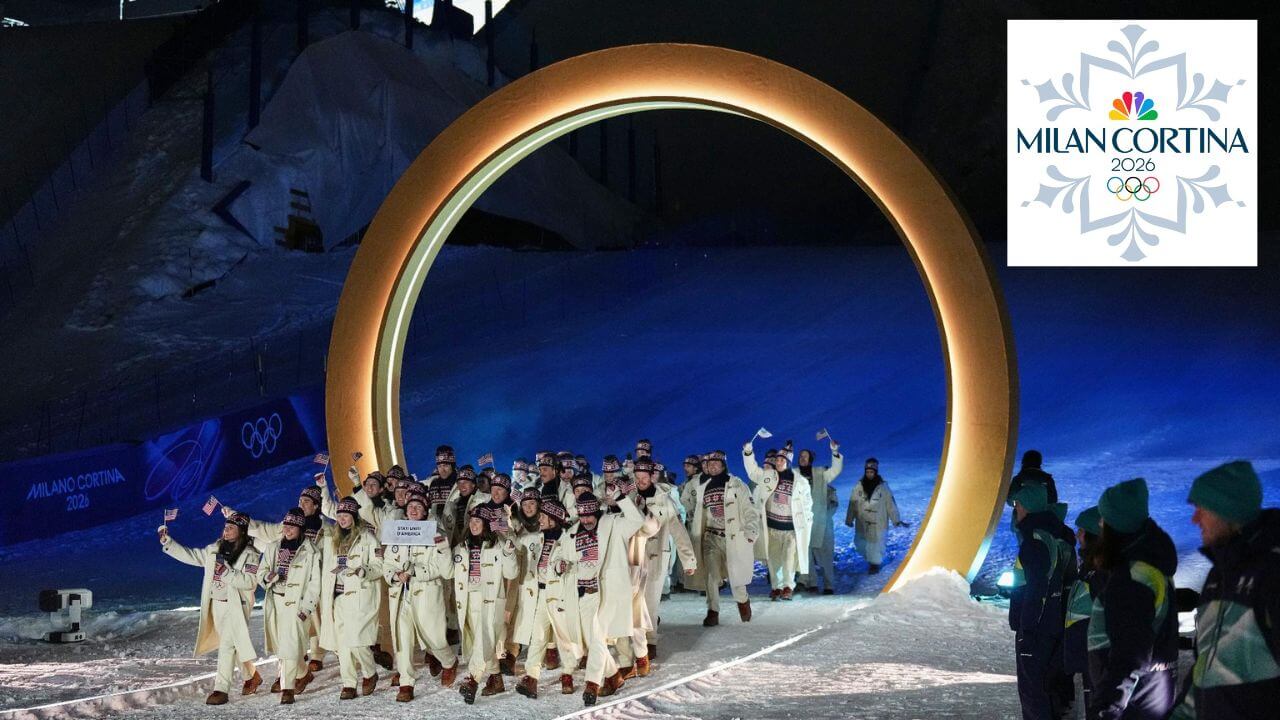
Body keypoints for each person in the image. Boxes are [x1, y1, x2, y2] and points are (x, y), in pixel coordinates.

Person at [1170, 460, 1279, 720]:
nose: (1195, 519)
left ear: (1227, 510)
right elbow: (1206, 669)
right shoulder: (1218, 576)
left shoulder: (1271, 574)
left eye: (1201, 509)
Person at [1088, 478, 1178, 720]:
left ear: (1116, 527)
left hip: (1132, 706)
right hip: (1153, 697)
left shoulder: (1131, 578)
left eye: (1104, 519)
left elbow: (1130, 655)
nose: (1100, 523)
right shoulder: (1152, 568)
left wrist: (1105, 709)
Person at [158, 513, 264, 705]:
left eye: (231, 527)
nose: (226, 530)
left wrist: (226, 573)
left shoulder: (251, 554)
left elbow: (249, 582)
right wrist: (169, 543)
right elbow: (193, 556)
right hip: (217, 605)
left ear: (241, 531)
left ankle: (221, 689)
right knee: (234, 644)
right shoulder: (214, 549)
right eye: (225, 526)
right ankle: (252, 676)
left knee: (227, 646)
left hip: (236, 606)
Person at [567, 490, 643, 705]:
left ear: (597, 511)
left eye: (590, 514)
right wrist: (560, 565)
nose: (587, 520)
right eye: (582, 515)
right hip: (583, 595)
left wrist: (620, 498)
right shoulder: (572, 532)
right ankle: (613, 677)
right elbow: (562, 557)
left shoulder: (613, 524)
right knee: (593, 642)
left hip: (607, 592)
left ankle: (592, 683)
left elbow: (637, 520)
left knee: (598, 636)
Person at [382, 491, 458, 701]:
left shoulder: (436, 533)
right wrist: (394, 575)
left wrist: (416, 571)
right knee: (403, 640)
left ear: (425, 510)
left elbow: (441, 568)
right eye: (410, 507)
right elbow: (387, 562)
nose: (413, 510)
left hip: (426, 593)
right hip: (401, 596)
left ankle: (449, 661)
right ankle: (406, 683)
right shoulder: (397, 532)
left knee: (434, 638)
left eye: (418, 507)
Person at [1008, 484, 1075, 720]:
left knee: (1033, 694)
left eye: (1017, 506)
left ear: (1025, 507)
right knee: (1047, 689)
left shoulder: (1035, 541)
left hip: (1037, 630)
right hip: (1051, 625)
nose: (1015, 511)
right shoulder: (1050, 537)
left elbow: (1036, 588)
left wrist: (1027, 628)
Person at [515, 498, 585, 700]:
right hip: (541, 594)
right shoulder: (539, 538)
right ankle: (531, 677)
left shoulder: (567, 539)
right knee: (538, 637)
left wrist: (561, 566)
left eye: (544, 516)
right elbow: (520, 544)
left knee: (563, 637)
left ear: (554, 519)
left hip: (561, 595)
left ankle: (568, 674)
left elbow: (570, 563)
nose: (540, 518)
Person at [450, 507, 519, 704]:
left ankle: (472, 679)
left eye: (478, 521)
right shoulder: (460, 548)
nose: (473, 525)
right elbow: (448, 573)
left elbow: (511, 574)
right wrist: (441, 550)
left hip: (491, 600)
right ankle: (496, 678)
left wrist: (509, 552)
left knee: (484, 638)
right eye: (471, 521)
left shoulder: (497, 546)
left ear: (486, 524)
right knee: (478, 642)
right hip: (468, 601)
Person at [684, 450, 759, 626]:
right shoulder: (702, 485)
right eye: (709, 464)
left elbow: (750, 509)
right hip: (711, 536)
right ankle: (712, 611)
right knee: (711, 575)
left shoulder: (736, 484)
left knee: (736, 576)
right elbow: (686, 497)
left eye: (716, 463)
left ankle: (743, 601)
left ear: (723, 465)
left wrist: (751, 532)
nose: (713, 466)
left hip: (733, 537)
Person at [320, 496, 384, 700]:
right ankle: (348, 683)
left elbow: (380, 566)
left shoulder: (368, 537)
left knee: (357, 641)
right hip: (338, 597)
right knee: (343, 645)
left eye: (346, 515)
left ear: (354, 516)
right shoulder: (333, 539)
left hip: (360, 596)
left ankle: (369, 672)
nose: (342, 519)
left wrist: (364, 571)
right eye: (339, 515)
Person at [633, 457, 697, 659]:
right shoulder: (629, 497)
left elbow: (679, 532)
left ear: (652, 476)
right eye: (637, 477)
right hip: (632, 556)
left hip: (656, 556)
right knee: (634, 601)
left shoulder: (665, 500)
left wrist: (688, 560)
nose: (641, 481)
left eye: (644, 477)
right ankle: (634, 641)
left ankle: (650, 641)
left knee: (650, 601)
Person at [258, 508, 321, 704]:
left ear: (300, 528)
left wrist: (306, 608)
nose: (288, 529)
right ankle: (303, 674)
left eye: (292, 526)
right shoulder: (273, 548)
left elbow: (315, 583)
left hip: (297, 604)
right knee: (281, 646)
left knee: (290, 646)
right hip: (276, 602)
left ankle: (288, 688)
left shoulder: (311, 551)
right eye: (286, 525)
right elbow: (261, 572)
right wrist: (267, 577)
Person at [744, 439, 813, 601]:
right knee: (773, 559)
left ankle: (788, 586)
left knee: (788, 559)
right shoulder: (768, 476)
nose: (779, 462)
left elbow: (808, 504)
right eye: (777, 460)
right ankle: (776, 587)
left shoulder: (800, 482)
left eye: (783, 460)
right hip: (772, 527)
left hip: (790, 529)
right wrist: (748, 453)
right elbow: (753, 471)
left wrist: (805, 523)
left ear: (788, 462)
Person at [1063, 506, 1102, 713]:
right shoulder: (1090, 565)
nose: (1077, 535)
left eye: (1081, 530)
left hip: (1096, 656)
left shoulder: (1099, 570)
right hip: (1089, 655)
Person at [796, 441, 843, 594]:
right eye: (800, 456)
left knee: (825, 555)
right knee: (805, 554)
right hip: (802, 521)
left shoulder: (821, 473)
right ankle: (812, 583)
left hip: (821, 521)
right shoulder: (794, 474)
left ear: (810, 458)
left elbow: (836, 470)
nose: (802, 458)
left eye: (805, 456)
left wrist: (835, 452)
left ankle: (829, 585)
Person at [844, 458, 905, 573]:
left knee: (876, 545)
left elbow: (890, 504)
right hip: (862, 522)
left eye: (871, 472)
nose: (869, 474)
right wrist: (849, 519)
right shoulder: (859, 486)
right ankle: (871, 560)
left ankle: (874, 564)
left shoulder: (883, 488)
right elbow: (852, 503)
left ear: (875, 472)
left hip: (878, 522)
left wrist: (896, 519)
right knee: (860, 544)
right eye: (867, 472)